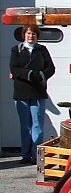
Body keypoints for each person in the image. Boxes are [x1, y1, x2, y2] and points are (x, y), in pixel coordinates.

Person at [9, 25, 56, 164]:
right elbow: (14, 69)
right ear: (24, 35)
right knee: (25, 125)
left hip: (38, 92)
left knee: (37, 125)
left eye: (34, 34)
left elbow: (51, 68)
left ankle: (36, 155)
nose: (31, 36)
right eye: (29, 33)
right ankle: (25, 155)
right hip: (21, 92)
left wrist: (40, 75)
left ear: (37, 36)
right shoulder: (16, 50)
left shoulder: (42, 50)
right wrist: (31, 74)